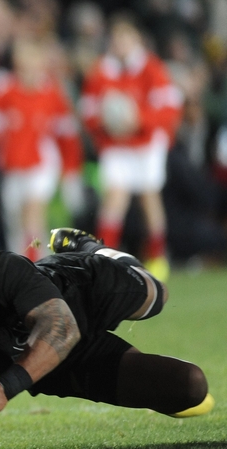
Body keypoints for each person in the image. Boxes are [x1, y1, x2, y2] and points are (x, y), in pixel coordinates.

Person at [0, 228, 214, 449]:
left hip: (82, 291)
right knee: (189, 386)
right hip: (52, 360)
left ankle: (93, 247)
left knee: (158, 295)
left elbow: (62, 328)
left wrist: (5, 387)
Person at [0, 37, 84, 261]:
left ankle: (35, 265)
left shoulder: (52, 93)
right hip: (12, 166)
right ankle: (26, 260)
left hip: (42, 164)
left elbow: (67, 134)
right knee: (15, 222)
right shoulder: (3, 89)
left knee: (32, 213)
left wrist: (71, 168)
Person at [79, 13, 182, 281]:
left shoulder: (152, 68)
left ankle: (158, 256)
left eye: (126, 39)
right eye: (117, 40)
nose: (121, 45)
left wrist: (139, 119)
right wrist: (104, 124)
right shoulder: (102, 71)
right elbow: (88, 110)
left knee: (149, 197)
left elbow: (169, 108)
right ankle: (103, 257)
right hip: (117, 145)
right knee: (114, 197)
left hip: (146, 144)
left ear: (137, 40)